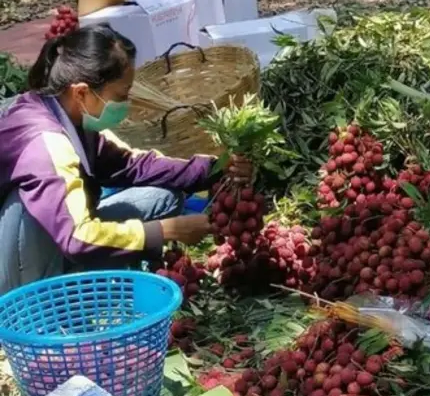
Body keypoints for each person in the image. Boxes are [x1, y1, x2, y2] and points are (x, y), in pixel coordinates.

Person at [0, 25, 252, 294]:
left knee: (163, 198)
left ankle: (80, 274)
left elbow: (131, 165)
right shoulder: (46, 143)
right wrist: (163, 231)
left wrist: (213, 168)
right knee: (36, 212)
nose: (126, 103)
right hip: (25, 257)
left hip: (60, 238)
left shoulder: (71, 115)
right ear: (81, 92)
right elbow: (76, 238)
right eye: (121, 96)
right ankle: (40, 295)